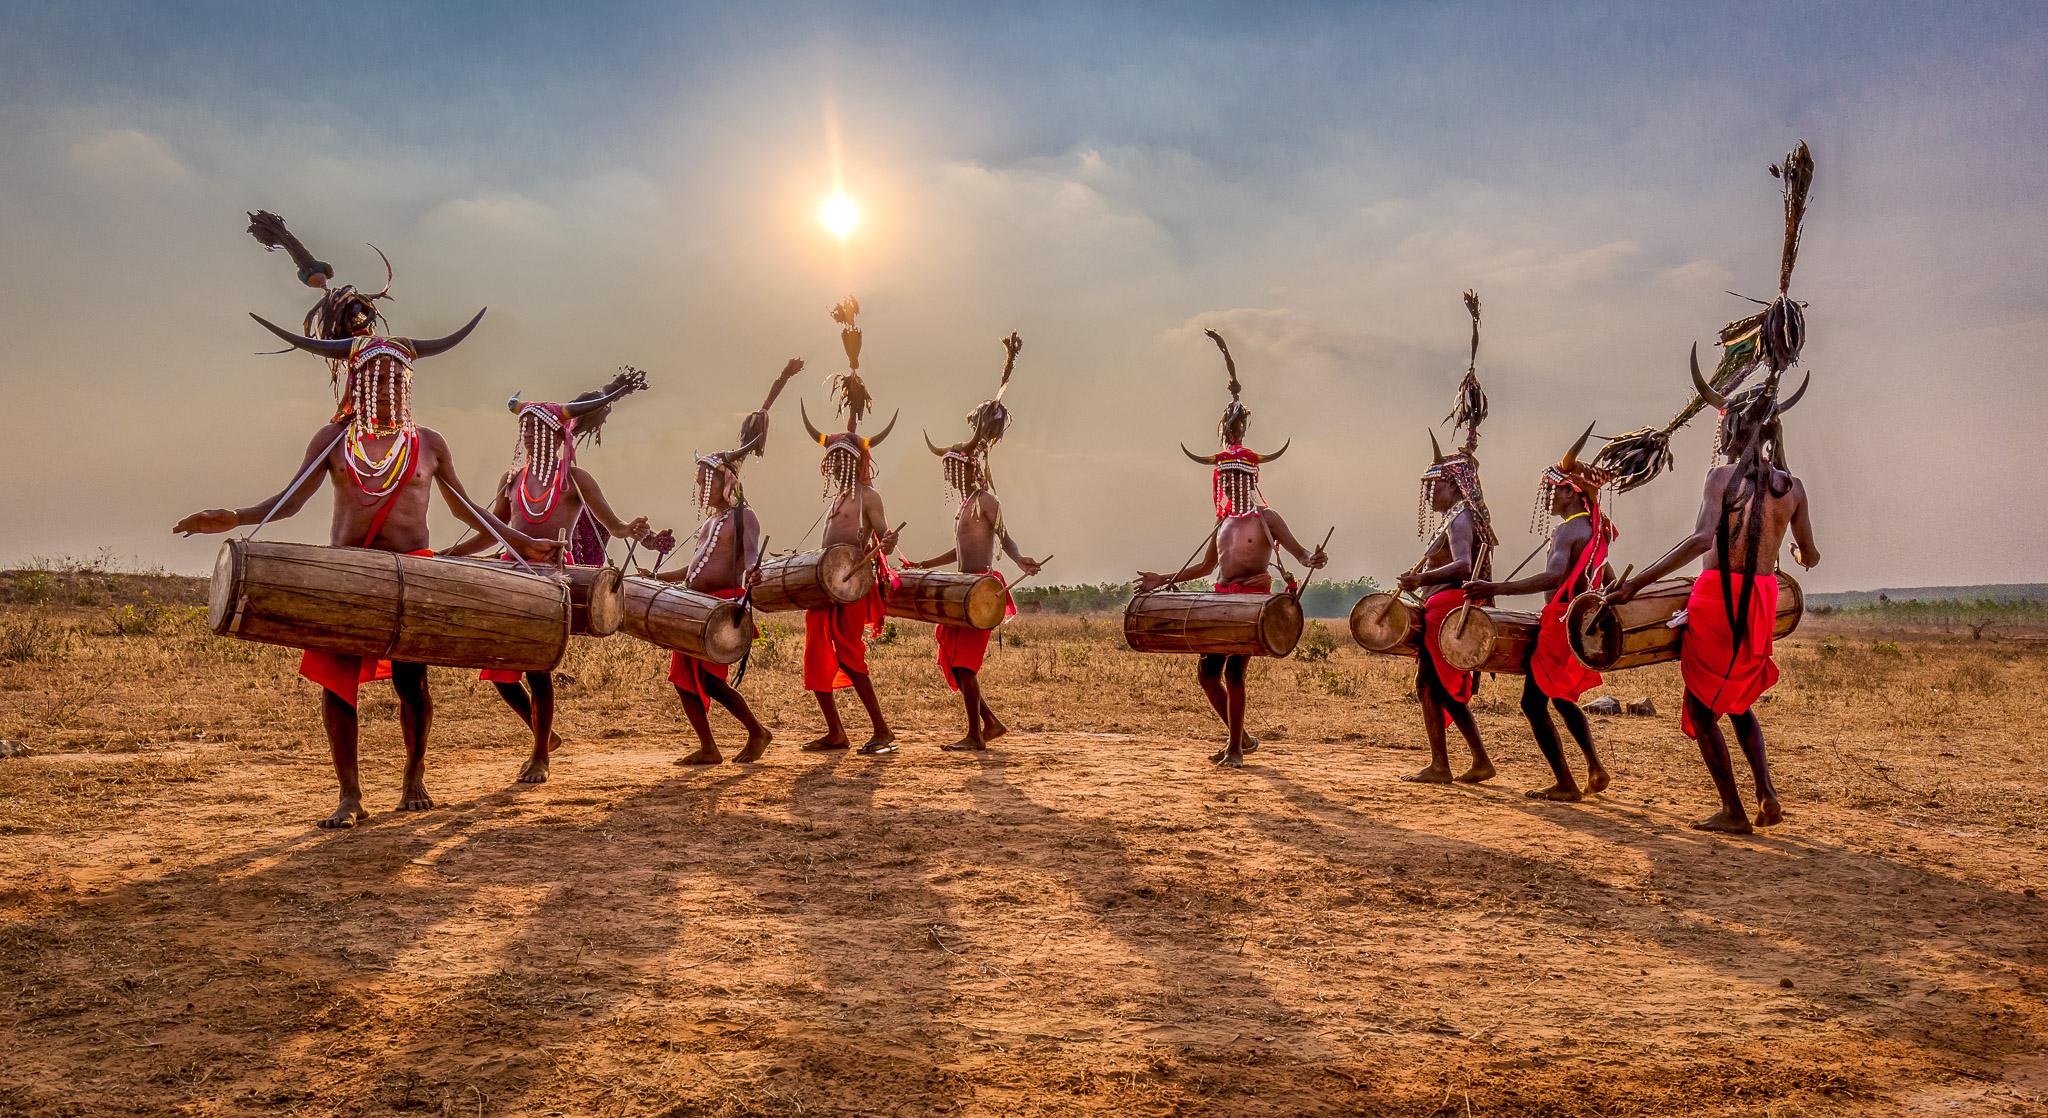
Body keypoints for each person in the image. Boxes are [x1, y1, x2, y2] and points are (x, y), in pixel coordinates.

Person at [176, 312, 559, 829]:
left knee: (411, 682)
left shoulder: (429, 442)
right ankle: (350, 795)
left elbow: (467, 510)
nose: (384, 385)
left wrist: (523, 542)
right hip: (346, 576)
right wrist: (235, 517)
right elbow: (289, 502)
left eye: (394, 376)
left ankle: (414, 776)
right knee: (336, 685)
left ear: (407, 383)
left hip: (414, 574)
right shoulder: (333, 440)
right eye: (374, 375)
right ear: (356, 381)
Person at [1607, 345, 1817, 833]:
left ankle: (1734, 811)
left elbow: (1702, 539)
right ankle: (1766, 794)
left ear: (1731, 429)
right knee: (1739, 700)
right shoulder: (1793, 487)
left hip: (1718, 597)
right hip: (1763, 600)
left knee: (1703, 711)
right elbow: (1810, 552)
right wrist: (1793, 550)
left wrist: (1637, 584)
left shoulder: (1721, 477)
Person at [442, 370, 653, 783]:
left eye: (539, 429)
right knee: (500, 673)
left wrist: (633, 530)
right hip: (510, 575)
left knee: (538, 670)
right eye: (525, 429)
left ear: (559, 436)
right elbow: (493, 530)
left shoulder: (575, 478)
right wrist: (451, 552)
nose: (530, 437)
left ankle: (540, 755)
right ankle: (545, 735)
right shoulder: (512, 481)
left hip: (551, 578)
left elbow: (614, 522)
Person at [1136, 330, 1326, 768]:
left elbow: (1299, 556)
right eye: (1227, 478)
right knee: (1207, 675)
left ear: (1251, 479)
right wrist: (1160, 580)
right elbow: (1205, 568)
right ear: (1221, 481)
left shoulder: (1267, 518)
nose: (1232, 483)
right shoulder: (1221, 523)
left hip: (1252, 605)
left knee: (1236, 674)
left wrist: (1313, 559)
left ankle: (1236, 748)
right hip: (1221, 602)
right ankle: (1240, 738)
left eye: (1239, 477)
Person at [902, 333, 1044, 751]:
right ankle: (989, 724)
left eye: (955, 471)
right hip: (963, 588)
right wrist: (921, 564)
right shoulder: (967, 504)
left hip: (982, 589)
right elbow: (959, 552)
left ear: (969, 469)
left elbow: (1006, 538)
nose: (952, 477)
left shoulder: (986, 500)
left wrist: (1021, 561)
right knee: (957, 662)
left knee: (965, 667)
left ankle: (975, 736)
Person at [658, 358, 802, 765]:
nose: (703, 486)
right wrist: (656, 576)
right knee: (684, 682)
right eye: (700, 480)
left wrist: (754, 573)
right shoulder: (712, 521)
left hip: (722, 607)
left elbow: (751, 559)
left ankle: (758, 732)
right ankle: (708, 746)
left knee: (710, 680)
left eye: (709, 479)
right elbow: (692, 570)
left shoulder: (744, 516)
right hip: (694, 607)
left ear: (729, 482)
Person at [1463, 424, 1614, 800]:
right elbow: (1606, 579)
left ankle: (1566, 783)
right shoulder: (1596, 532)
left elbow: (1552, 577)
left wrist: (1494, 588)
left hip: (1561, 622)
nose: (1548, 496)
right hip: (1580, 626)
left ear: (1571, 491)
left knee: (1533, 704)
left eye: (1552, 489)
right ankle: (1594, 769)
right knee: (1561, 699)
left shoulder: (1567, 531)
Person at [784, 298, 902, 754]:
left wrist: (887, 541)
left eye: (840, 459)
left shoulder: (868, 496)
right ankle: (836, 732)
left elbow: (882, 535)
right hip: (824, 586)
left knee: (851, 658)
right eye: (830, 459)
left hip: (853, 586)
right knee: (816, 658)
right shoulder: (836, 499)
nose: (833, 465)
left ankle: (882, 730)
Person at [1401, 292, 1501, 785]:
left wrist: (1421, 575)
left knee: (1437, 686)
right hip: (1444, 608)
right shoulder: (1459, 515)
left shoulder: (1461, 517)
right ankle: (1459, 761)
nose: (1431, 490)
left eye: (1436, 482)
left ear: (1455, 484)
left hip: (1448, 606)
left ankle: (1453, 762)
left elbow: (1462, 567)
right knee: (1433, 686)